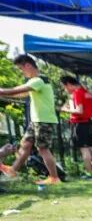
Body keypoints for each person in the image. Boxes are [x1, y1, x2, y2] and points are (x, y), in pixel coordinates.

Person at [0, 54, 62, 184]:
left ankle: (54, 178)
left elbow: (16, 90)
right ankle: (13, 170)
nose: (21, 72)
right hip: (36, 121)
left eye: (21, 69)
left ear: (27, 65)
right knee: (25, 145)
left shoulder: (38, 80)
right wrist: (4, 94)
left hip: (43, 120)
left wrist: (3, 91)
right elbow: (22, 93)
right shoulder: (36, 81)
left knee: (42, 149)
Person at [60, 75, 92, 179]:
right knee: (91, 148)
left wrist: (65, 109)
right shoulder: (87, 92)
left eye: (64, 87)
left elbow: (79, 111)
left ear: (68, 84)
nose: (65, 90)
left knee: (84, 149)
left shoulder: (77, 93)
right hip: (89, 122)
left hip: (80, 124)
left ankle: (88, 173)